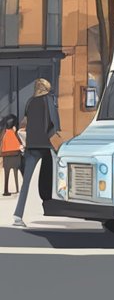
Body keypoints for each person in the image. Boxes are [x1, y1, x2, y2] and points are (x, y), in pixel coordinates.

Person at [14, 78, 60, 227]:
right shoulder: (49, 100)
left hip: (31, 146)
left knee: (26, 183)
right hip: (45, 146)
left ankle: (18, 215)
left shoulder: (29, 101)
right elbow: (55, 124)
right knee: (55, 174)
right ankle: (50, 205)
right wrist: (47, 136)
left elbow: (24, 123)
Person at [1, 115, 22, 196]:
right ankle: (17, 188)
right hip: (14, 158)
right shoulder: (12, 134)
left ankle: (6, 190)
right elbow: (18, 146)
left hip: (6, 158)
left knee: (6, 175)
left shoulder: (4, 133)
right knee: (15, 173)